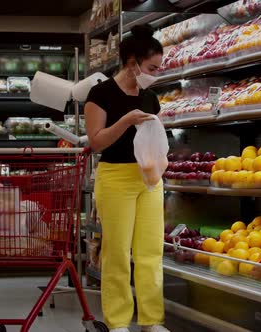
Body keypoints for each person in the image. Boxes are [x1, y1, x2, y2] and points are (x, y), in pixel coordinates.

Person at [84, 24, 169, 332]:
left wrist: (163, 159)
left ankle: (151, 321)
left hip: (149, 178)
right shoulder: (101, 93)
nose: (155, 73)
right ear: (132, 62)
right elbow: (96, 142)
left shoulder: (151, 97)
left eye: (158, 68)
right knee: (117, 252)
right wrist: (125, 121)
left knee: (149, 252)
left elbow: (154, 137)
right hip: (115, 177)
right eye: (151, 67)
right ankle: (118, 321)